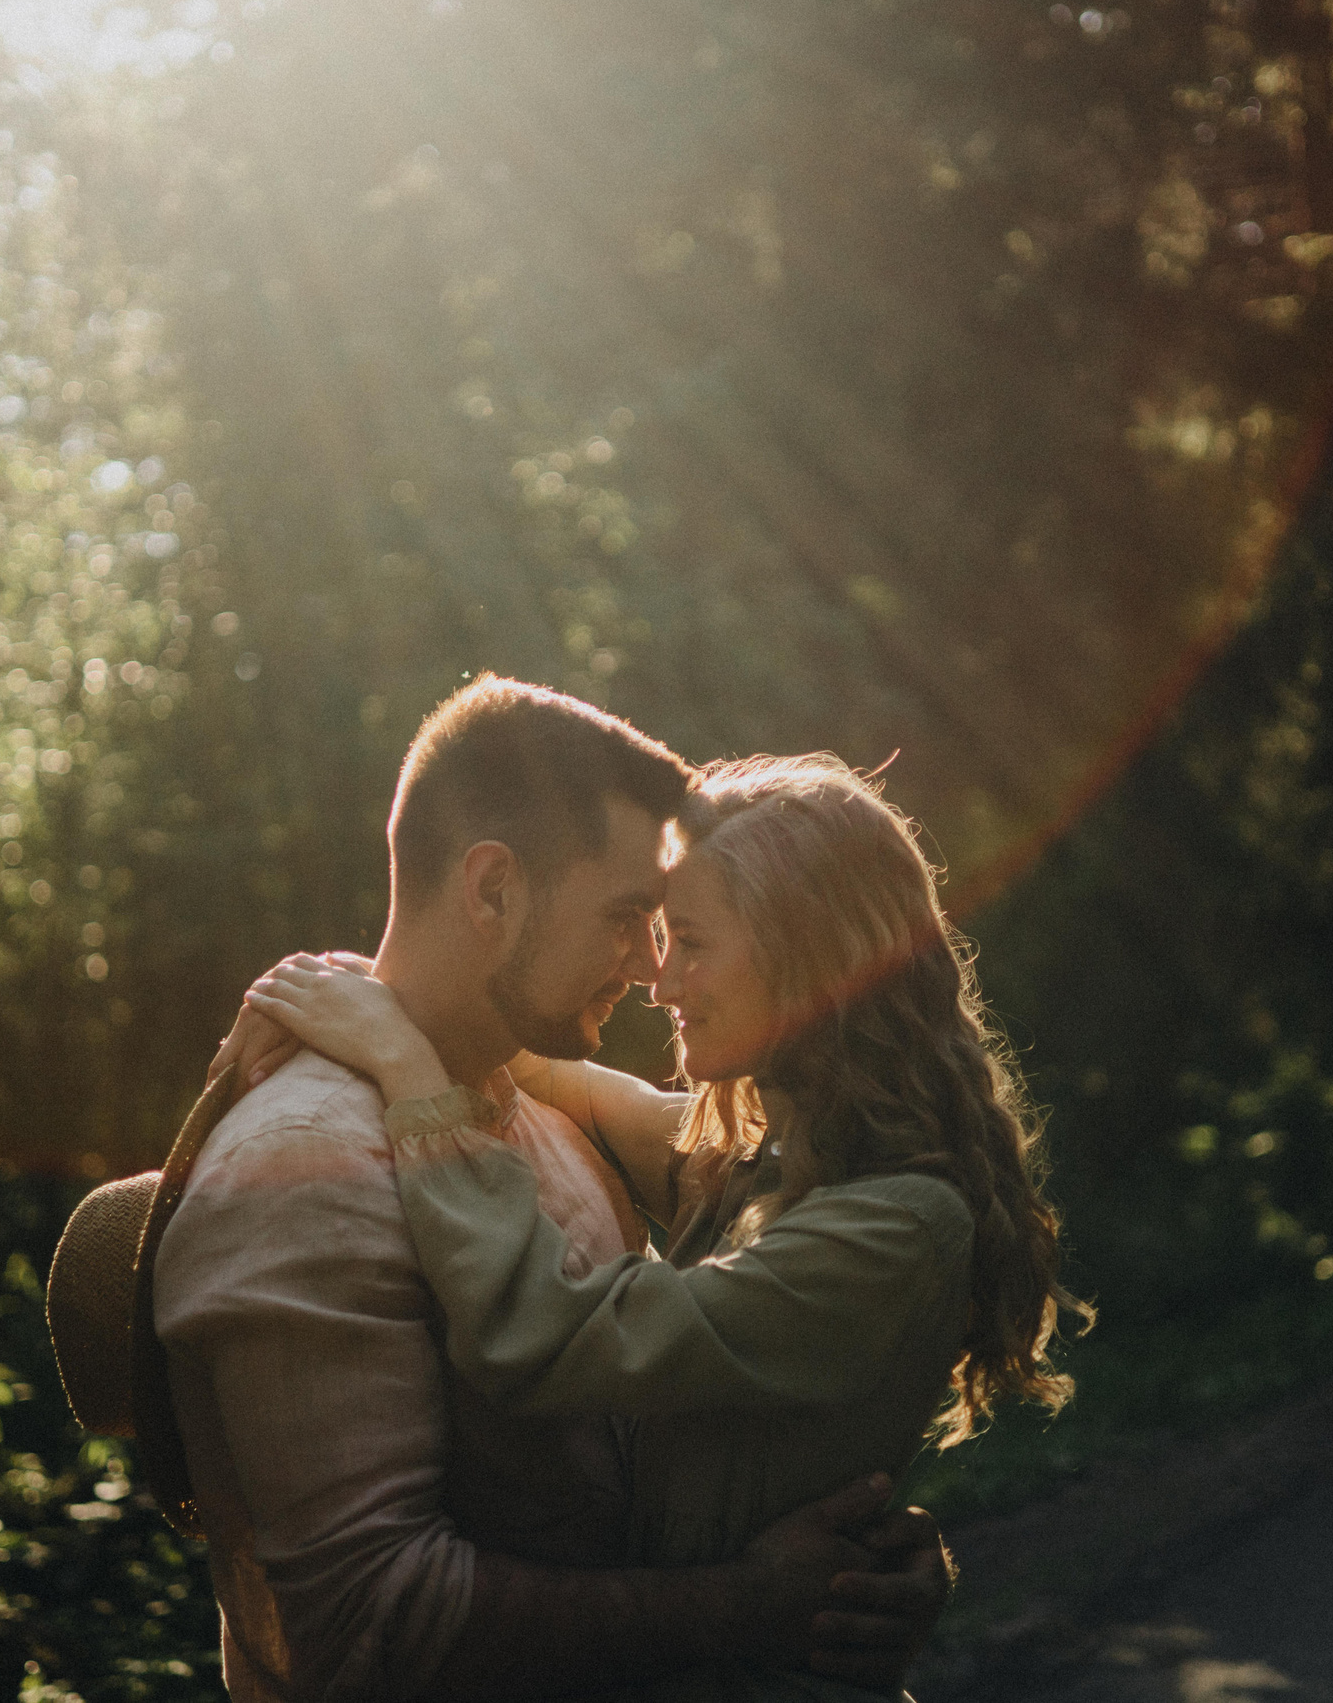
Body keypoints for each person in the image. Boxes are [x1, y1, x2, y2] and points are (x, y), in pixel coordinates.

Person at [153, 679, 953, 1703]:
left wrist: (859, 1572)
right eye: (628, 918)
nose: (648, 968)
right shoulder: (304, 1165)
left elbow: (651, 1434)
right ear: (490, 892)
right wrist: (748, 1606)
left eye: (674, 932)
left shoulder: (539, 1113)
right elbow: (368, 1630)